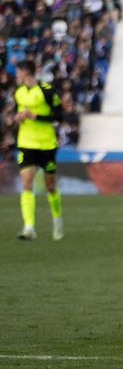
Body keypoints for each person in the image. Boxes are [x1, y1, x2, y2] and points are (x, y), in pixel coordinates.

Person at [8, 59, 65, 241]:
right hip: (26, 143)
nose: (16, 75)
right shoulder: (18, 92)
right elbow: (20, 113)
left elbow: (59, 116)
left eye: (18, 72)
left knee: (50, 186)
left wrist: (36, 116)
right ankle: (29, 227)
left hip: (46, 144)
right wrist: (18, 118)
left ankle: (57, 220)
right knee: (26, 183)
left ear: (26, 72)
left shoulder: (47, 90)